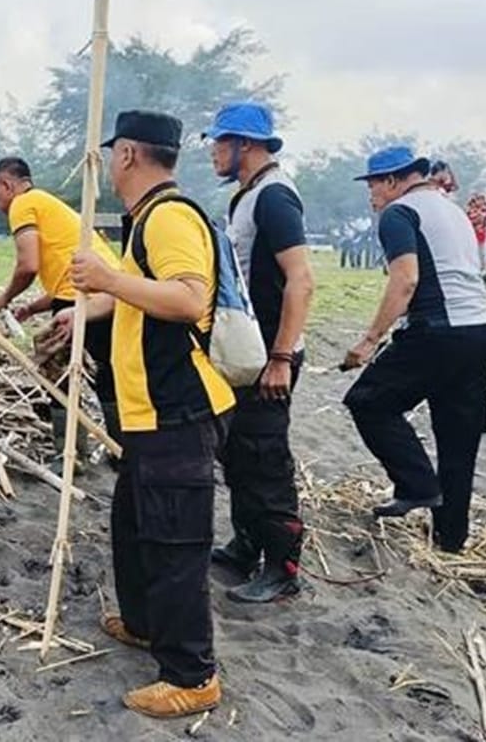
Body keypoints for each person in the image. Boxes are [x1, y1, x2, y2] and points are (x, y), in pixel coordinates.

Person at [68, 110, 234, 719]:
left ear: (130, 154)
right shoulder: (147, 219)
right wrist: (88, 308)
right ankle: (144, 623)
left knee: (174, 541)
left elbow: (188, 298)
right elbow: (142, 297)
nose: (111, 165)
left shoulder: (169, 216)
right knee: (135, 526)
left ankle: (192, 676)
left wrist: (108, 277)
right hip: (146, 416)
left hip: (179, 411)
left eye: (115, 153)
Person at [341, 146, 486, 554]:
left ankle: (416, 485)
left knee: (368, 401)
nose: (371, 194)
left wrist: (369, 339)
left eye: (374, 184)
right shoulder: (452, 210)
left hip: (438, 333)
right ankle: (450, 540)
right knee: (457, 439)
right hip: (481, 332)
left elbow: (405, 281)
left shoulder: (400, 213)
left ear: (394, 180)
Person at [202, 102, 315, 603]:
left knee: (266, 460)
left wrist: (281, 357)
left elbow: (301, 279)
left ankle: (282, 567)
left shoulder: (274, 198)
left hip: (272, 356)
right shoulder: (244, 199)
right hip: (250, 352)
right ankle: (246, 544)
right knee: (240, 454)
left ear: (243, 144)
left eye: (218, 144)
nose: (212, 153)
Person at [0, 157, 123, 449]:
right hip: (108, 295)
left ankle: (71, 454)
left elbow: (28, 265)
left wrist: (5, 297)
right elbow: (64, 276)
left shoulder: (23, 204)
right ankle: (120, 449)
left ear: (6, 184)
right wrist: (32, 308)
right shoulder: (47, 204)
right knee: (105, 373)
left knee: (57, 373)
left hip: (78, 299)